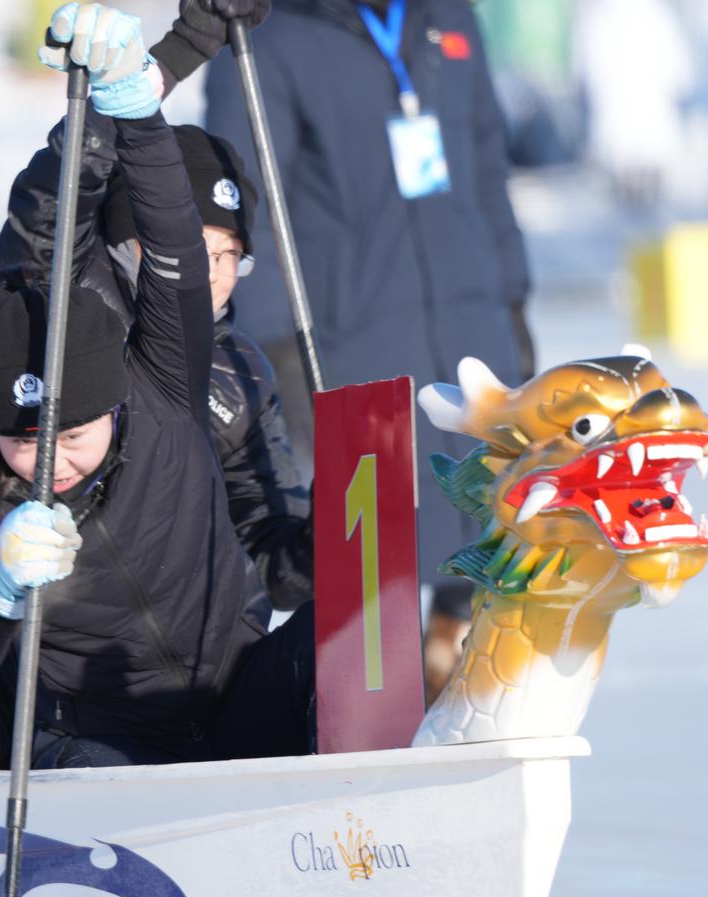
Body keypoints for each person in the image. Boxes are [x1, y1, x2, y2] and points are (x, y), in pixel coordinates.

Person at [0, 4, 312, 770]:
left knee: (344, 639)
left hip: (219, 674)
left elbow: (272, 552)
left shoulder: (226, 372)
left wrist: (328, 542)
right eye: (196, 252)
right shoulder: (58, 323)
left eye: (230, 256)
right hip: (101, 718)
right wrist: (163, 64)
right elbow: (55, 208)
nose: (213, 277)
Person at [200, 0, 533, 697]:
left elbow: (487, 166)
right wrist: (272, 346)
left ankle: (460, 683)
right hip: (346, 342)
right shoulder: (265, 32)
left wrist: (510, 296)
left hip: (470, 327)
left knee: (487, 521)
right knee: (370, 554)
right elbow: (246, 207)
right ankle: (370, 715)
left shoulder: (449, 17)